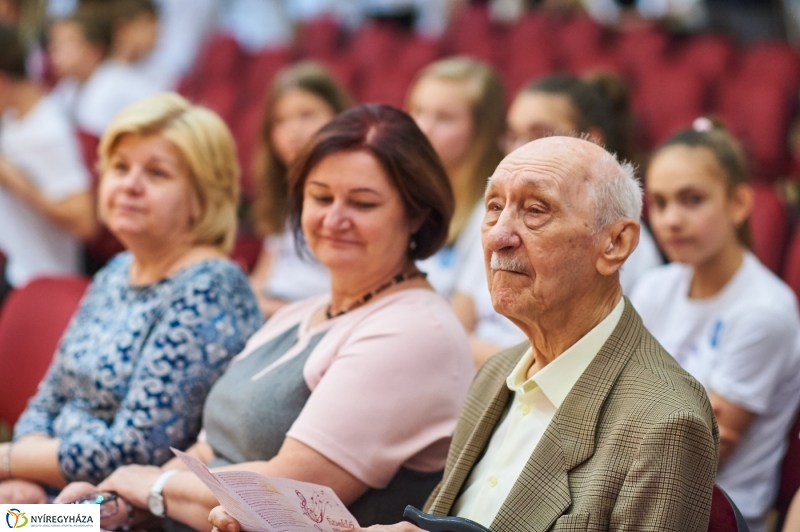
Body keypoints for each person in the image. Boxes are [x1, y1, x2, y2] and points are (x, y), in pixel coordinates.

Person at [209, 135, 719, 532]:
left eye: (535, 210)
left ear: (615, 244)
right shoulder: (496, 372)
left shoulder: (665, 421)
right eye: (494, 207)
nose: (498, 235)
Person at [57, 104, 475, 530]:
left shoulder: (415, 332)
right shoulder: (299, 313)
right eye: (321, 197)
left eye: (363, 203)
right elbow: (204, 453)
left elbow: (284, 499)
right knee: (20, 522)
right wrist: (113, 505)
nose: (334, 219)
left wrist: (149, 486)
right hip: (155, 516)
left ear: (416, 215)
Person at [0, 93, 263, 503]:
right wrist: (23, 477)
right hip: (44, 488)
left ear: (202, 197)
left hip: (117, 511)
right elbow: (50, 395)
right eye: (120, 167)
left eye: (156, 173)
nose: (129, 185)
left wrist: (14, 462)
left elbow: (138, 450)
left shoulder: (210, 289)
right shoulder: (119, 269)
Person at [630, 119, 800, 532]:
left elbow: (700, 452)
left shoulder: (764, 310)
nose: (671, 219)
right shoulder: (655, 287)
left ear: (739, 204)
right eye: (661, 202)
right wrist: (686, 410)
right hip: (639, 490)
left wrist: (634, 401)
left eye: (692, 200)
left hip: (716, 515)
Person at [454, 72, 663, 367]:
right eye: (513, 135)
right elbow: (458, 323)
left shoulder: (628, 246)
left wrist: (467, 353)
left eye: (540, 134)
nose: (520, 150)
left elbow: (578, 363)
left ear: (592, 140)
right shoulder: (497, 213)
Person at [248, 61, 351, 317]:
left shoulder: (355, 194)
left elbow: (351, 297)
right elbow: (262, 279)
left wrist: (276, 311)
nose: (293, 131)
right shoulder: (286, 190)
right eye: (280, 121)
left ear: (338, 117)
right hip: (273, 312)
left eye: (307, 115)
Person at [0, 24, 95, 291]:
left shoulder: (47, 133)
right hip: (16, 269)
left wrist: (20, 183)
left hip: (39, 281)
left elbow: (85, 220)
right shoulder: (14, 116)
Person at [406, 56, 505, 299]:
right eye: (417, 111)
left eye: (444, 118)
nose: (423, 128)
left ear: (483, 131)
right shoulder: (404, 191)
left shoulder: (494, 212)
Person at [48, 6, 159, 137]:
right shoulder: (69, 86)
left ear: (94, 51)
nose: (54, 50)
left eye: (65, 43)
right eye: (54, 43)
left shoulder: (114, 82)